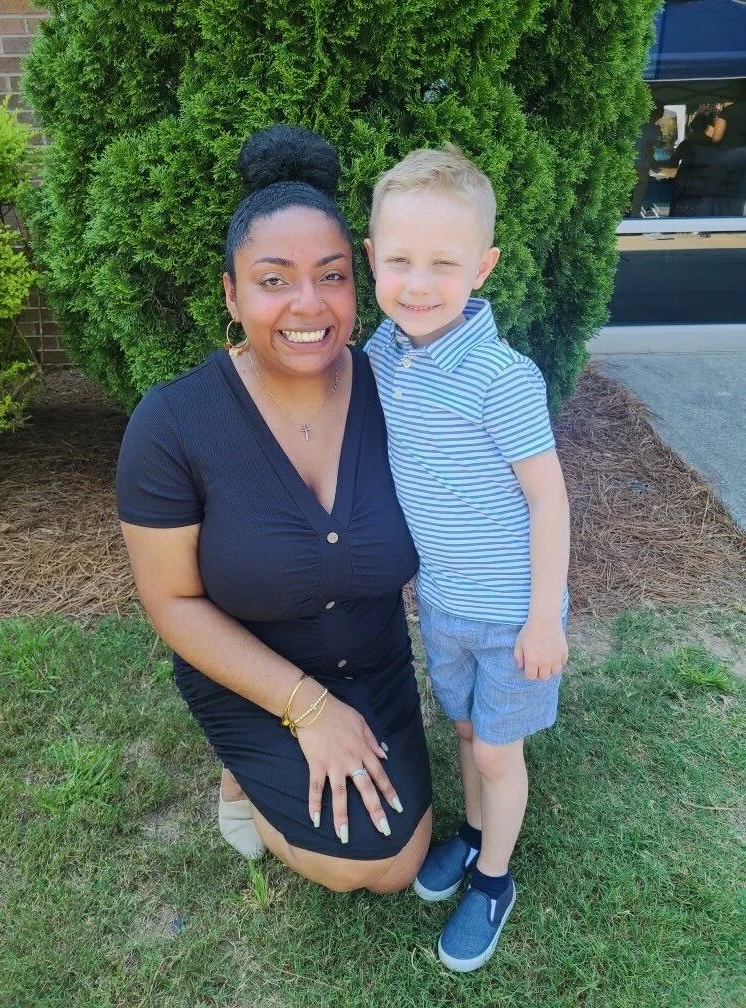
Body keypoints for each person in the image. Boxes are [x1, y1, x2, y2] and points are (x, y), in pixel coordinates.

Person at [116, 125, 432, 893]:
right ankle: (241, 769)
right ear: (231, 292)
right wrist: (307, 707)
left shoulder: (401, 392)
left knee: (398, 861)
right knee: (349, 863)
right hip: (248, 672)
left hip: (377, 660)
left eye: (331, 276)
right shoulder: (173, 423)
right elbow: (172, 601)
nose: (308, 305)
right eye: (273, 280)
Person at [364, 145, 570, 971]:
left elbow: (549, 499)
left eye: (442, 264)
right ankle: (477, 826)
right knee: (463, 726)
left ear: (481, 268)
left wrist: (542, 618)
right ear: (372, 258)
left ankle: (493, 879)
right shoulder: (384, 353)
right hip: (443, 602)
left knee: (495, 749)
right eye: (400, 260)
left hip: (515, 610)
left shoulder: (501, 377)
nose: (418, 283)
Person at [669, 111, 719, 216]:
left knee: (679, 208)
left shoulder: (686, 143)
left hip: (684, 180)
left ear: (692, 126)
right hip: (703, 180)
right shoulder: (712, 144)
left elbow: (673, 163)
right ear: (706, 127)